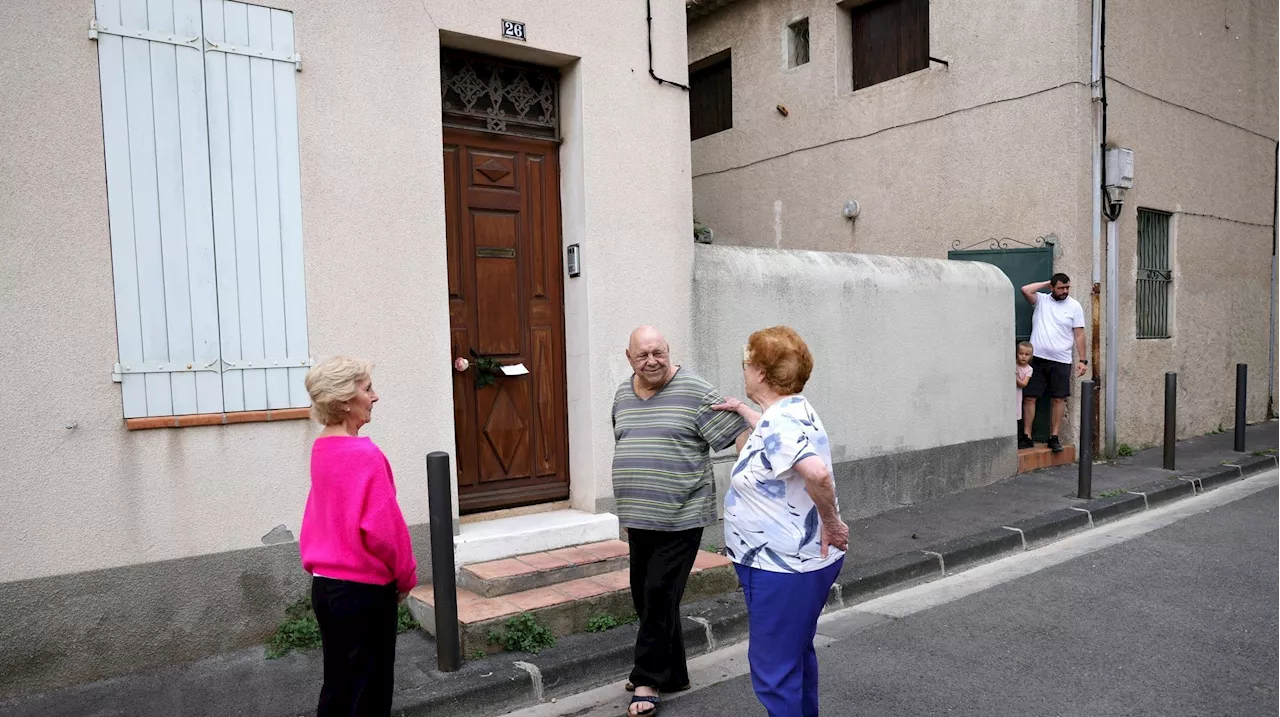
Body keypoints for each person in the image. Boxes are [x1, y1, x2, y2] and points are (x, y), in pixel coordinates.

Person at [712, 326, 850, 717]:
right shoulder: (792, 410)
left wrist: (832, 521)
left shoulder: (781, 423)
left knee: (774, 672)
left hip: (780, 567)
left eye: (747, 361)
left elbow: (817, 474)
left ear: (759, 371)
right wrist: (743, 411)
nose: (744, 368)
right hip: (798, 564)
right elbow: (778, 438)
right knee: (795, 655)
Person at [612, 326, 749, 717]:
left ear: (669, 351)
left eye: (659, 352)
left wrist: (760, 476)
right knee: (646, 593)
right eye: (643, 355)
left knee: (658, 592)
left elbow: (736, 434)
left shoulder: (694, 390)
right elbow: (627, 441)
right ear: (629, 357)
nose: (652, 361)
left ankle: (647, 679)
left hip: (681, 515)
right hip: (640, 516)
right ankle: (674, 674)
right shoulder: (623, 393)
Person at [299, 356, 418, 717]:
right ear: (346, 400)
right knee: (370, 695)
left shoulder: (322, 447)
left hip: (327, 589)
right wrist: (406, 577)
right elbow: (385, 530)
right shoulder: (364, 454)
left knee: (338, 687)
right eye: (367, 389)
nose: (375, 396)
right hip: (363, 594)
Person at [1021, 273, 1087, 453]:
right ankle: (1027, 436)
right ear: (1052, 287)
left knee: (1058, 399)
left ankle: (1054, 436)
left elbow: (1079, 334)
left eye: (1067, 288)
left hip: (1061, 360)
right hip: (1037, 359)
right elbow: (1025, 290)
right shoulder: (1041, 301)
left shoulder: (1074, 306)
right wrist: (1046, 282)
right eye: (1060, 288)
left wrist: (1082, 360)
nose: (1065, 291)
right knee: (1030, 397)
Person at [1016, 341, 1035, 449]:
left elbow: (1023, 384)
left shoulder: (1029, 369)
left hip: (1018, 394)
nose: (1023, 357)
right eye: (1021, 353)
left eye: (1026, 354)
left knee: (1017, 414)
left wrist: (1016, 377)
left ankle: (1021, 438)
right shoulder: (1013, 365)